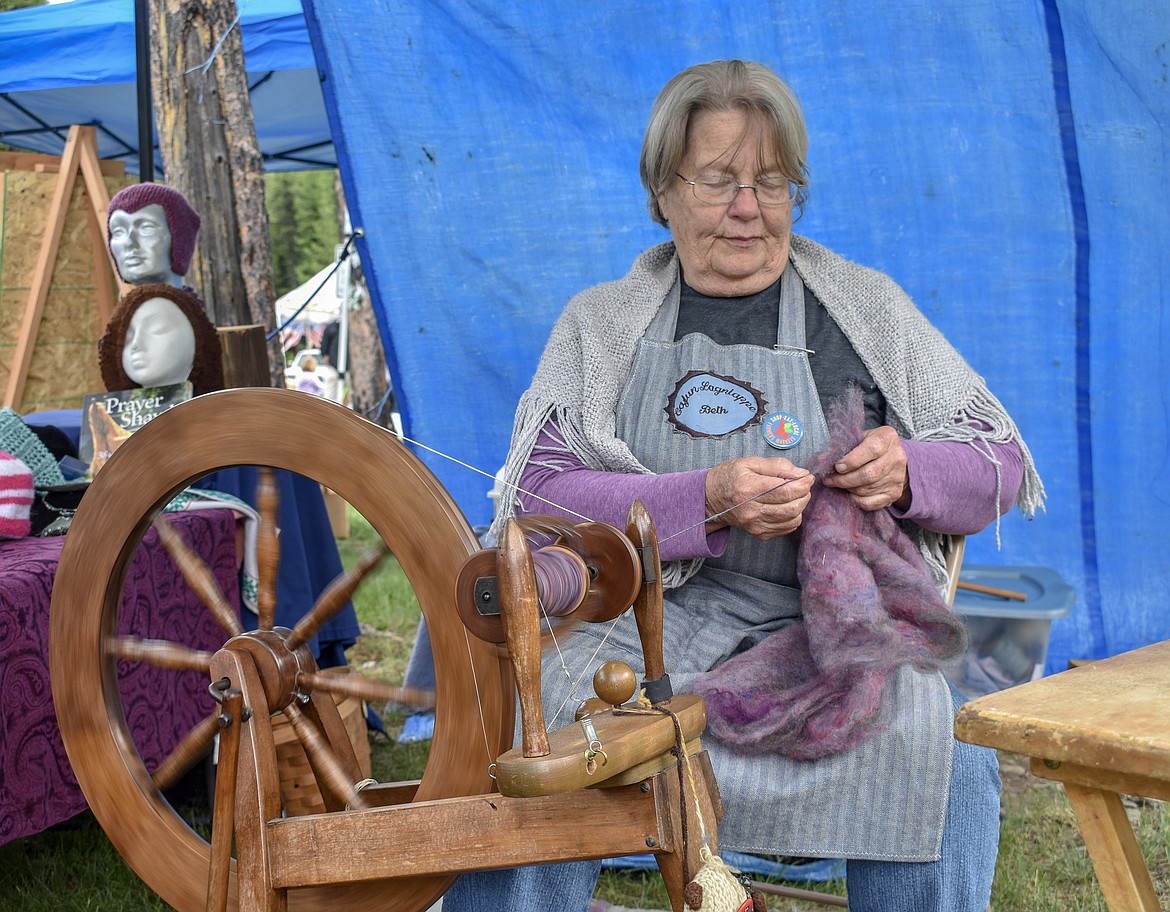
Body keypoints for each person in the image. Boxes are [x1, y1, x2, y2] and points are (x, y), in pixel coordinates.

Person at [445, 59, 1043, 912]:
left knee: (946, 757)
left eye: (771, 182)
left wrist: (909, 471)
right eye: (719, 179)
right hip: (634, 630)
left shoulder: (864, 310)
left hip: (825, 635)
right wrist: (707, 500)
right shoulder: (604, 324)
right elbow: (543, 497)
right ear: (663, 190)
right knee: (541, 744)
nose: (748, 208)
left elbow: (997, 462)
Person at [97, 283, 224, 396]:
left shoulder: (226, 418)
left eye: (157, 329)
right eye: (127, 338)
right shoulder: (104, 419)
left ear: (197, 341)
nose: (136, 344)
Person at [107, 182, 201, 289]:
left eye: (146, 228)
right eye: (119, 232)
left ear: (180, 241)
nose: (129, 243)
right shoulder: (140, 303)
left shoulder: (158, 304)